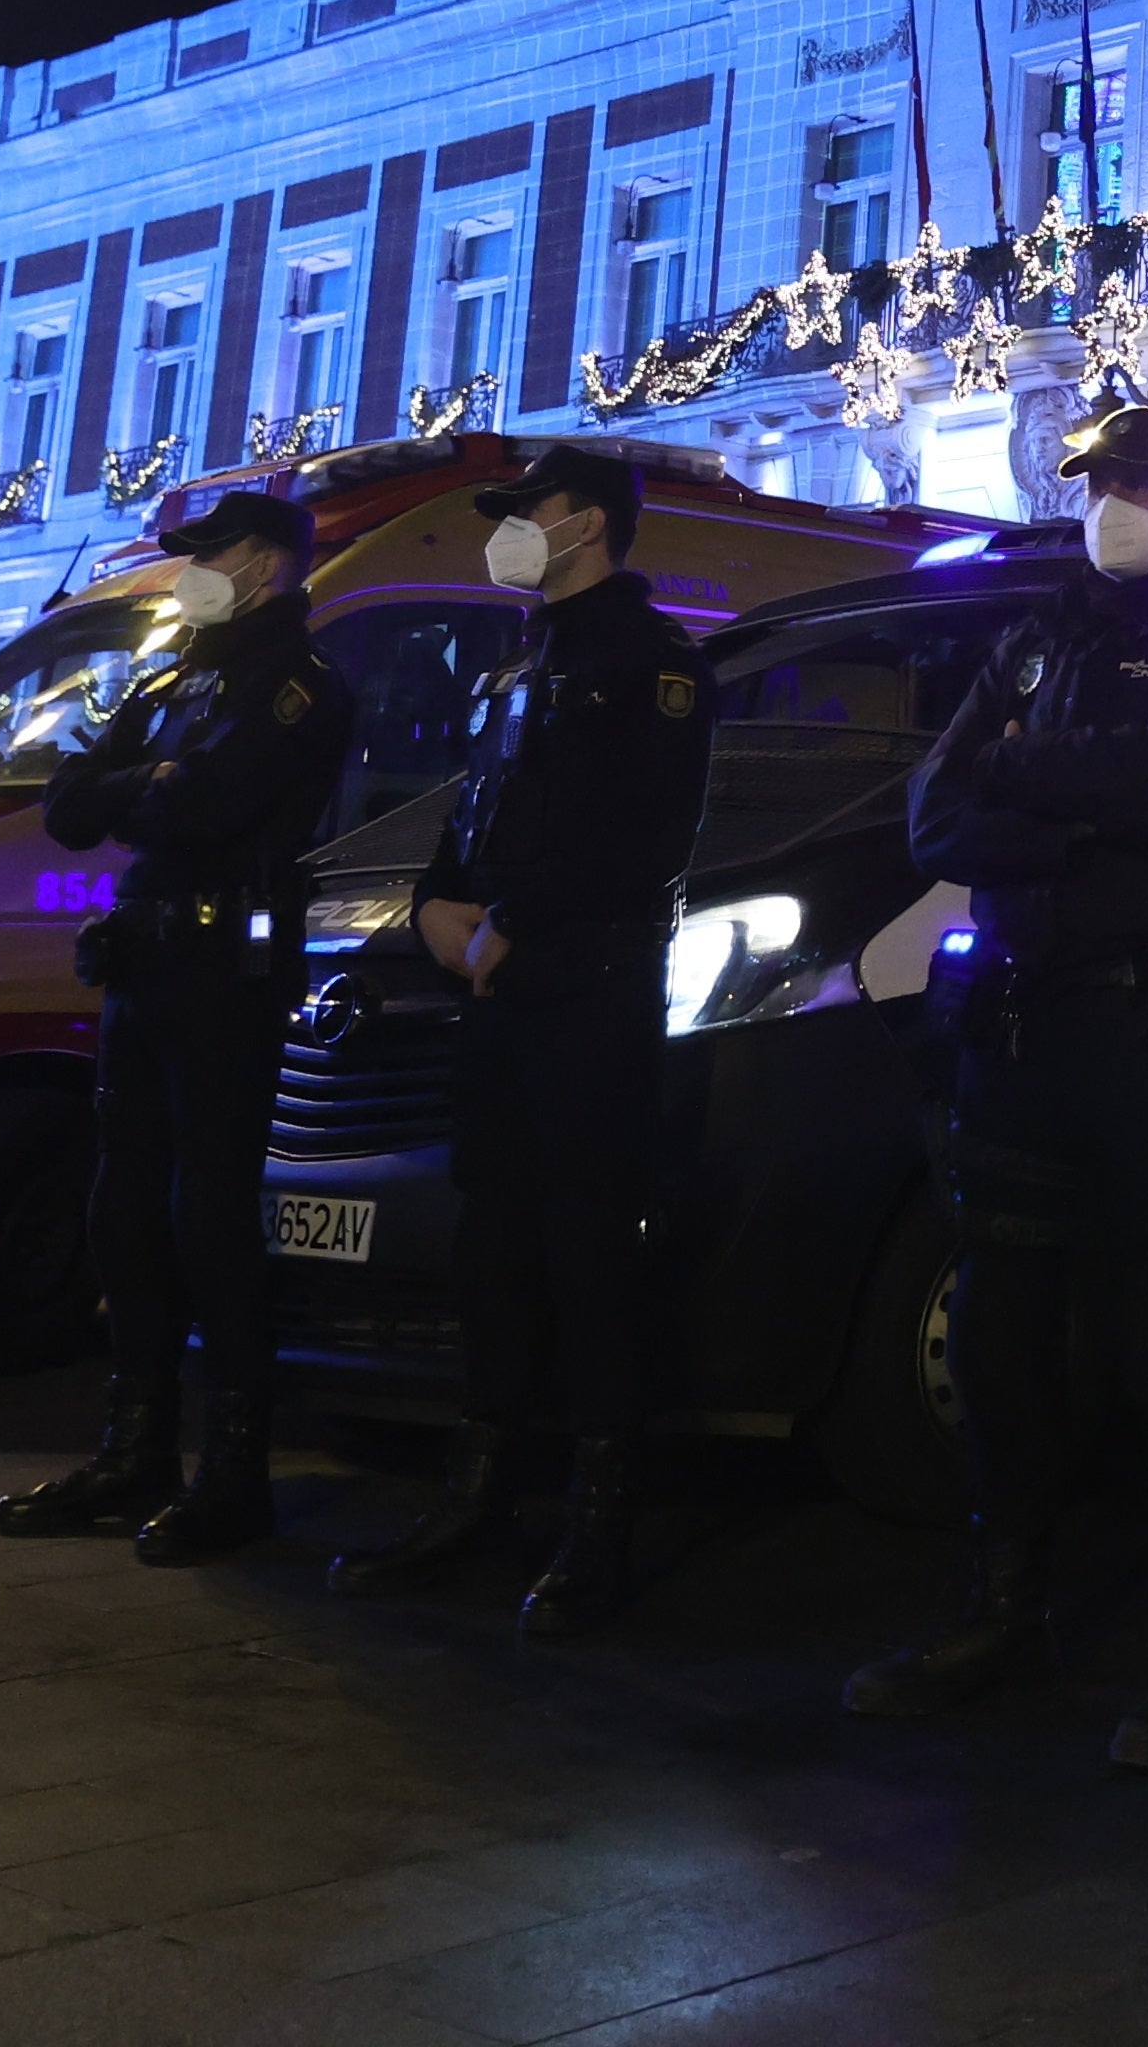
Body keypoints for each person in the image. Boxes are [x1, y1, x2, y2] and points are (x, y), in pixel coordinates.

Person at [843, 401, 1148, 1770]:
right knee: (1004, 1324)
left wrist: (1034, 790)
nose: (1108, 495)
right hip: (1021, 1027)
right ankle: (1007, 1606)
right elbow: (937, 814)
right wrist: (1084, 806)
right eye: (1095, 476)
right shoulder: (1039, 638)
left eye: (1133, 475)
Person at [333, 443, 710, 1635]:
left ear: (587, 523)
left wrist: (515, 922)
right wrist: (434, 908)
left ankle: (598, 1519)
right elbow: (475, 812)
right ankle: (481, 1493)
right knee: (493, 1245)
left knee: (590, 1253)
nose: (509, 529)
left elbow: (642, 837)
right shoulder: (517, 663)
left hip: (585, 990)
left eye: (525, 510)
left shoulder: (653, 664)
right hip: (496, 991)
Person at [0, 490, 357, 1558]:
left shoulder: (300, 685)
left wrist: (139, 785)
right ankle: (134, 1449)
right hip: (144, 957)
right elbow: (63, 806)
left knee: (210, 1218)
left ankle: (233, 1472)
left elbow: (202, 806)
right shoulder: (167, 674)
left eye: (211, 551)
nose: (192, 568)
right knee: (126, 1213)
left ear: (268, 562)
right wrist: (143, 778)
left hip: (225, 972)